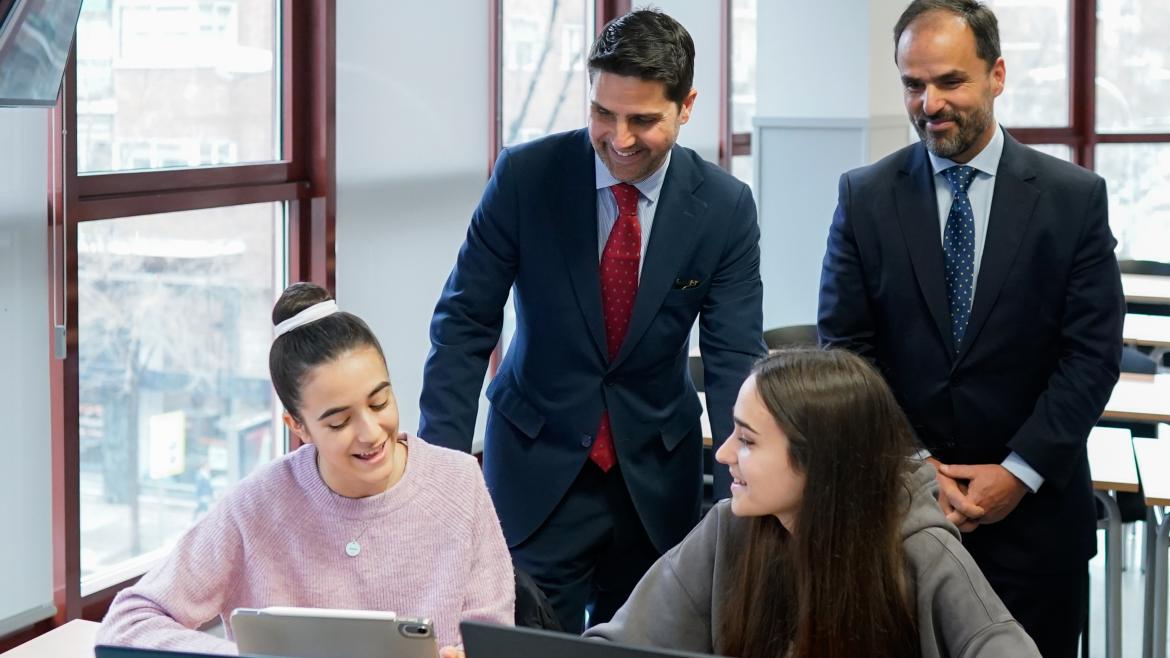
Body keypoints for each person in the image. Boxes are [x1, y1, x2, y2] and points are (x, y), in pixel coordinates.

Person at [418, 9, 764, 633]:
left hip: (655, 480)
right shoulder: (526, 178)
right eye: (604, 113)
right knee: (519, 645)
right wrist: (437, 476)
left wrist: (740, 507)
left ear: (686, 107)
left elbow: (735, 360)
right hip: (534, 468)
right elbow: (465, 322)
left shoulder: (725, 207)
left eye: (643, 119)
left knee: (647, 644)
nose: (620, 138)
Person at [816, 1, 1124, 655]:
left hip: (1035, 524)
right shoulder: (864, 197)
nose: (929, 103)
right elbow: (847, 353)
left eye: (950, 81)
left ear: (997, 75)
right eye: (912, 84)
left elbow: (1091, 355)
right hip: (899, 520)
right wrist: (916, 469)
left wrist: (1018, 471)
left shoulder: (1072, 199)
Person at [97, 282, 514, 655]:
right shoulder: (256, 506)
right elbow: (129, 622)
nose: (370, 432)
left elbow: (496, 640)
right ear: (298, 427)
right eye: (339, 422)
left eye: (379, 402)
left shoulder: (458, 483)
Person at [584, 349, 1040, 658]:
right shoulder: (730, 528)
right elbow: (620, 643)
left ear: (817, 461)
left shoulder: (918, 547)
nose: (723, 455)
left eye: (746, 439)